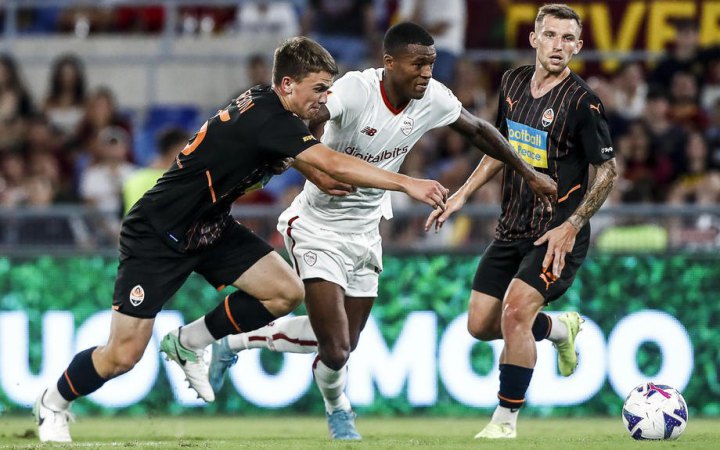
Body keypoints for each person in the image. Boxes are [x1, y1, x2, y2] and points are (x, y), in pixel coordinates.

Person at [33, 36, 451, 443]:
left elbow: (296, 157)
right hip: (159, 232)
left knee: (285, 292)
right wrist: (406, 182)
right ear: (287, 84)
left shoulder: (269, 107)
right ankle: (53, 402)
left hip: (210, 226)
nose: (326, 98)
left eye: (329, 89)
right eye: (319, 89)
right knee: (122, 355)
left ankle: (189, 342)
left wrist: (320, 174)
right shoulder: (271, 119)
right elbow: (330, 161)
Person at [208, 22, 558, 440]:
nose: (426, 73)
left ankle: (235, 342)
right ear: (389, 63)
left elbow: (480, 130)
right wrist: (311, 169)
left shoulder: (433, 97)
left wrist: (528, 174)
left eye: (431, 64)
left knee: (343, 344)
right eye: (417, 64)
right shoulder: (355, 90)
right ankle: (340, 410)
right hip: (317, 227)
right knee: (336, 347)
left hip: (366, 232)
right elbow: (298, 119)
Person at [425, 4, 617, 439]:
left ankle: (505, 422)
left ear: (578, 47)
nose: (558, 46)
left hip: (556, 235)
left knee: (514, 314)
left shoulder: (583, 102)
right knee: (479, 325)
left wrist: (572, 225)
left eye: (568, 39)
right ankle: (558, 328)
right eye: (550, 35)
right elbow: (501, 150)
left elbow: (608, 172)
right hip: (511, 227)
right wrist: (461, 195)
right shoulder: (512, 82)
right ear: (534, 39)